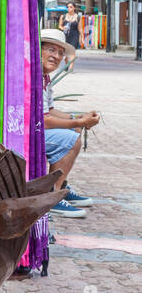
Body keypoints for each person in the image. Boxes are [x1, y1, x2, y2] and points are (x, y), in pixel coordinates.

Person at [41, 29, 98, 218]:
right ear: (38, 51)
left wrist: (77, 118)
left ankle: (61, 184)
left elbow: (49, 111)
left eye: (59, 53)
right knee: (71, 139)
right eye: (51, 50)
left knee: (74, 128)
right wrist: (81, 121)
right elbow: (45, 121)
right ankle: (51, 196)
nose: (56, 56)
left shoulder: (44, 78)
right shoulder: (34, 77)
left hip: (37, 127)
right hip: (24, 132)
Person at [58, 2, 81, 70]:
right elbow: (60, 26)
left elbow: (80, 29)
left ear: (74, 8)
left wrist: (81, 38)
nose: (69, 8)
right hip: (65, 36)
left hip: (74, 36)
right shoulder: (63, 16)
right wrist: (63, 28)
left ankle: (70, 68)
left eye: (71, 7)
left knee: (72, 52)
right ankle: (67, 65)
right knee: (65, 53)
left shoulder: (78, 17)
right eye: (68, 7)